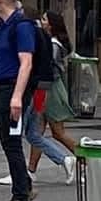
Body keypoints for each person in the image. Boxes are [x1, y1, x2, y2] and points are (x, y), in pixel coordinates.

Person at [0, 0, 37, 201]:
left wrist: (16, 97)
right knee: (9, 141)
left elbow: (25, 63)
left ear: (0, 0)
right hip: (3, 87)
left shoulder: (21, 25)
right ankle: (24, 186)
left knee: (11, 142)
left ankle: (20, 197)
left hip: (13, 90)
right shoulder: (5, 25)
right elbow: (1, 60)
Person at [25, 10, 78, 186]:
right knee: (37, 131)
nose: (42, 22)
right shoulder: (54, 42)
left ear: (52, 24)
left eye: (45, 19)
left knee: (57, 132)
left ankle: (84, 161)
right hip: (50, 89)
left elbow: (47, 68)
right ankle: (31, 170)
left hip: (49, 91)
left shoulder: (53, 44)